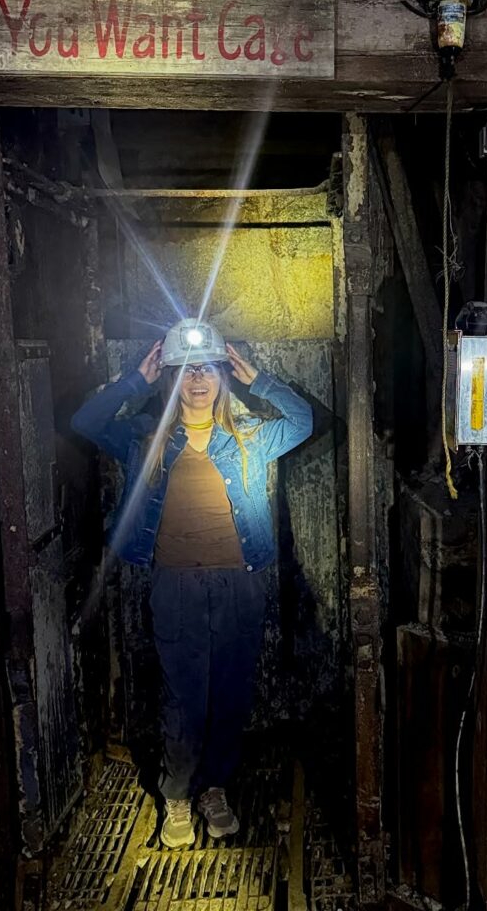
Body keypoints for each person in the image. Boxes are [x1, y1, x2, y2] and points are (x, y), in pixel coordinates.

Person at [71, 318, 313, 847]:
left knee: (229, 693)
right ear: (170, 378)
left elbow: (303, 421)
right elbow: (86, 419)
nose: (198, 379)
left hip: (238, 584)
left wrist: (259, 380)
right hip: (175, 587)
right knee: (184, 696)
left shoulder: (248, 434)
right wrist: (136, 379)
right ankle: (177, 796)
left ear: (224, 376)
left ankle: (215, 791)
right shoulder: (143, 438)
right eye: (185, 370)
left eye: (208, 368)